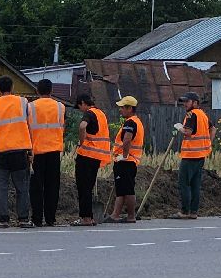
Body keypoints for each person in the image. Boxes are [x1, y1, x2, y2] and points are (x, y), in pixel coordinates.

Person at [0, 75, 34, 226]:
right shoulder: (23, 102)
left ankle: (3, 220)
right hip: (20, 150)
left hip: (1, 151)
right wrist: (31, 150)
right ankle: (23, 219)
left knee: (2, 187)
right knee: (22, 186)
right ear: (12, 87)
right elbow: (29, 126)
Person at [28, 79, 67, 227]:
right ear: (51, 91)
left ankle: (37, 218)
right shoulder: (60, 107)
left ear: (37, 91)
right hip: (54, 150)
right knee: (52, 186)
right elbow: (63, 126)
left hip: (36, 151)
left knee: (36, 186)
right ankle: (51, 218)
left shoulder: (30, 107)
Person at [72, 91, 111, 226]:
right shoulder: (101, 114)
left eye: (79, 106)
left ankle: (86, 218)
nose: (80, 110)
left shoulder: (89, 113)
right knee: (88, 186)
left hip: (86, 155)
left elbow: (82, 126)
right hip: (97, 157)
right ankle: (90, 217)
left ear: (83, 103)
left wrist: (81, 142)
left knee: (83, 187)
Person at [174, 92, 213, 220]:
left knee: (184, 183)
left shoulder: (191, 114)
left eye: (187, 101)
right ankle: (193, 212)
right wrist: (208, 144)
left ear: (195, 103)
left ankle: (185, 211)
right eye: (184, 102)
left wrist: (179, 127)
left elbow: (188, 132)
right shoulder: (203, 115)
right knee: (195, 184)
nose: (185, 104)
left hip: (190, 155)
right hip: (201, 155)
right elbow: (213, 129)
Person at [108, 96, 144, 223]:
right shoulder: (136, 121)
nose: (120, 110)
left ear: (130, 108)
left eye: (123, 107)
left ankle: (130, 216)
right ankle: (115, 215)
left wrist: (123, 156)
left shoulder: (130, 123)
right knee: (121, 189)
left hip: (126, 161)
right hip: (129, 161)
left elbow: (127, 139)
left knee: (127, 189)